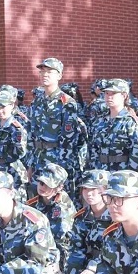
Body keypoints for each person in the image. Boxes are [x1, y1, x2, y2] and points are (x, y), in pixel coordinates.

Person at [60, 170, 111, 274]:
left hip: (108, 271)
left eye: (94, 189)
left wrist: (92, 267)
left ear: (105, 190)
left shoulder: (115, 217)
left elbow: (112, 251)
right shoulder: (82, 216)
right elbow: (76, 251)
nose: (89, 193)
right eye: (85, 189)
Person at [28, 58, 80, 195]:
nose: (44, 74)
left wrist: (61, 168)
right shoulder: (37, 101)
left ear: (59, 76)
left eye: (49, 71)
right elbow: (31, 134)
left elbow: (69, 140)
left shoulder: (67, 103)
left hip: (57, 162)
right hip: (38, 160)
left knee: (57, 200)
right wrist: (30, 163)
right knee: (36, 201)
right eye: (42, 71)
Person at [88, 79, 138, 174]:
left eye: (113, 93)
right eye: (107, 93)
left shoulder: (131, 123)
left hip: (121, 176)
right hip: (100, 175)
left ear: (124, 96)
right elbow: (93, 151)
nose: (109, 97)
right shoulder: (99, 121)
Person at [27, 162, 75, 272]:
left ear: (59, 188)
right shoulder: (34, 202)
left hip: (59, 257)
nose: (42, 187)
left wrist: (56, 264)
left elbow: (62, 243)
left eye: (49, 185)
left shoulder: (62, 208)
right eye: (41, 183)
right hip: (38, 250)